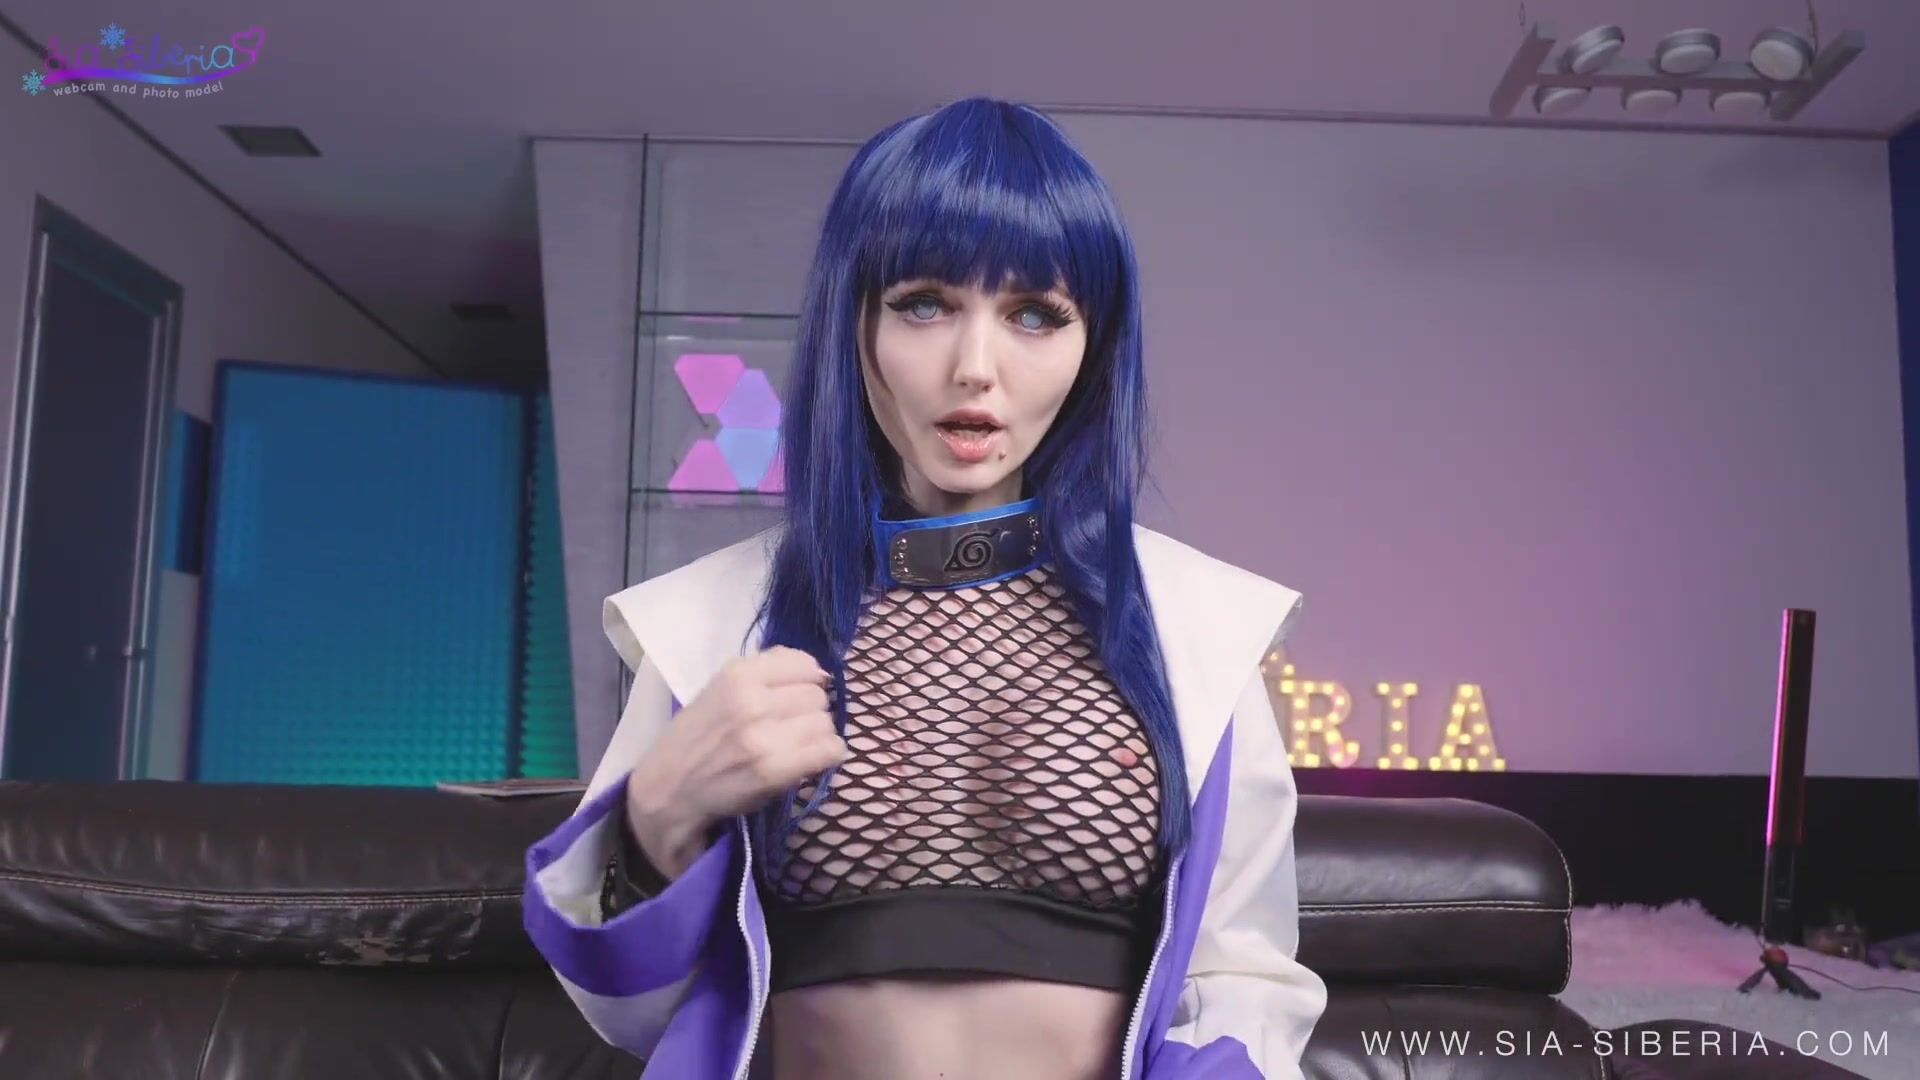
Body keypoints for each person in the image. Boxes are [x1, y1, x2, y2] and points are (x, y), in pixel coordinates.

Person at [523, 96, 1327, 1080]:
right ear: (854, 324)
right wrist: (654, 821)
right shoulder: (712, 625)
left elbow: (1244, 975)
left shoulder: (1200, 627)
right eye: (924, 304)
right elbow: (626, 1012)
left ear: (1093, 347)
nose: (974, 368)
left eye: (1034, 315)